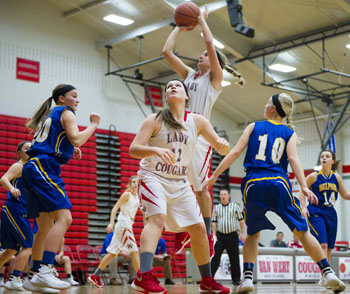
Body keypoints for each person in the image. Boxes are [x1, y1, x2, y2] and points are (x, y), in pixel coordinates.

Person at [206, 93, 346, 293]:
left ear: (273, 108)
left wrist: (214, 177)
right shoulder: (289, 132)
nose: (264, 105)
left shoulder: (253, 126)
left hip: (254, 183)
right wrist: (303, 186)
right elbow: (293, 158)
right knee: (302, 231)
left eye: (267, 103)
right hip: (279, 183)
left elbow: (235, 152)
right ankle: (327, 272)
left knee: (253, 233)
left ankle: (247, 279)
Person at [129, 79, 230, 294]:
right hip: (153, 176)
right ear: (166, 98)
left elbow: (219, 144)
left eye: (177, 86)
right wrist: (155, 151)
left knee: (199, 229)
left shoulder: (198, 121)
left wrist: (222, 145)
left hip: (180, 181)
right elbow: (134, 149)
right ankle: (143, 276)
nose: (172, 87)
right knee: (156, 219)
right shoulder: (155, 119)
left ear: (186, 96)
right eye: (169, 87)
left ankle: (206, 280)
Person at [162, 5, 245, 256]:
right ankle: (182, 231)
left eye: (206, 55)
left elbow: (209, 42)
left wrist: (200, 20)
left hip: (199, 138)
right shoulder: (188, 75)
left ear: (215, 63)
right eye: (201, 54)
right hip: (179, 136)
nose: (202, 56)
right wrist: (178, 26)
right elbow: (166, 51)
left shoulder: (214, 81)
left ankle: (207, 234)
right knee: (176, 185)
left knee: (201, 189)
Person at [22, 84, 100, 293]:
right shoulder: (67, 112)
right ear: (62, 98)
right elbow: (77, 138)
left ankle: (33, 276)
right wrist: (93, 125)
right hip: (43, 166)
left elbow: (60, 139)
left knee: (44, 225)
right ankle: (45, 270)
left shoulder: (53, 113)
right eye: (74, 96)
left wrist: (68, 146)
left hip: (33, 167)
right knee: (65, 217)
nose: (77, 100)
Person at [300, 150, 350, 287]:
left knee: (329, 248)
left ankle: (324, 277)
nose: (324, 158)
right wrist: (304, 207)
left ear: (332, 161)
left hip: (330, 212)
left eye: (327, 156)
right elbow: (301, 192)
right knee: (322, 244)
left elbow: (345, 195)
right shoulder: (314, 176)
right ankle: (325, 274)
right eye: (322, 156)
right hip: (316, 210)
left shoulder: (337, 178)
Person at [88, 175, 141, 288]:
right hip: (123, 225)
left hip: (126, 225)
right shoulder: (127, 195)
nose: (136, 184)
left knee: (112, 253)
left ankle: (95, 276)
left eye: (138, 182)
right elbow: (115, 208)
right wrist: (111, 223)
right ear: (130, 184)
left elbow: (142, 210)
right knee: (135, 252)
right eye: (134, 182)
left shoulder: (138, 197)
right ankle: (141, 279)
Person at [0, 142, 33, 291]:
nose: (30, 149)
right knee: (28, 246)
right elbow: (3, 179)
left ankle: (13, 279)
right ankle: (14, 279)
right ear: (19, 152)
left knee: (12, 250)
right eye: (27, 148)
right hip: (14, 207)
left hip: (20, 209)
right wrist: (12, 188)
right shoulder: (18, 166)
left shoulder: (30, 168)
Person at [211, 189, 246, 285]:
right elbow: (214, 222)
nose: (223, 196)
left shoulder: (235, 206)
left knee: (234, 258)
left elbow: (241, 221)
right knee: (215, 257)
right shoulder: (217, 208)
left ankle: (236, 279)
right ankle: (210, 278)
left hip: (232, 236)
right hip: (220, 236)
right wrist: (214, 235)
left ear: (228, 196)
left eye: (225, 194)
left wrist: (243, 233)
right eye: (221, 194)